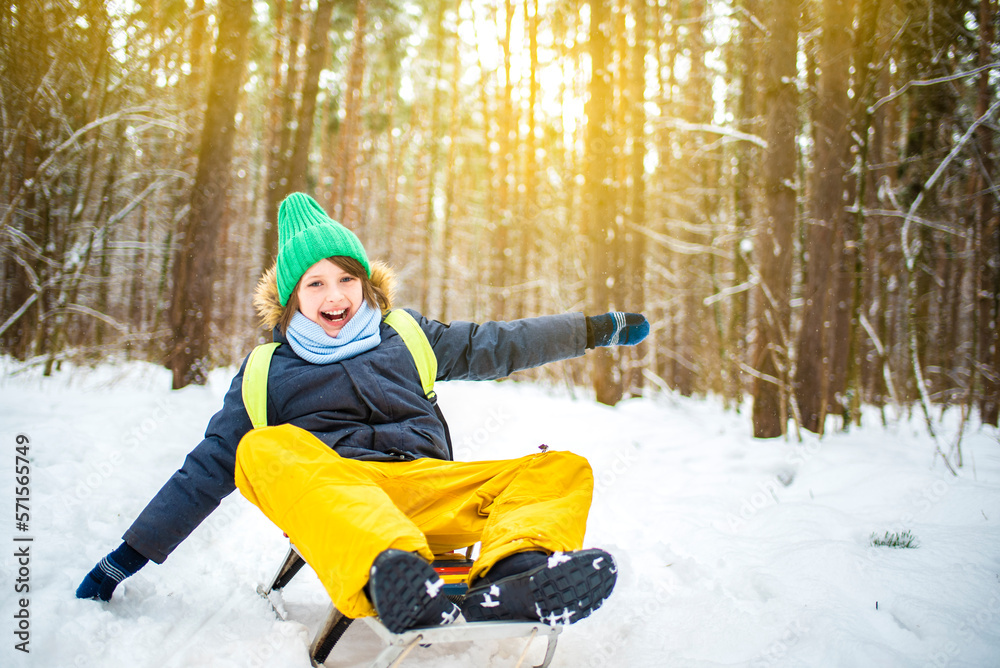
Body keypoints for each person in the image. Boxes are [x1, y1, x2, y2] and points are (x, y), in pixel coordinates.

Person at [77, 192, 649, 633]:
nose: (336, 296)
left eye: (347, 278)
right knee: (260, 448)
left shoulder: (407, 334)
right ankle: (396, 576)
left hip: (430, 485)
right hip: (342, 498)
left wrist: (593, 329)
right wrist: (126, 558)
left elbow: (498, 343)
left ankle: (514, 576)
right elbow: (205, 471)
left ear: (365, 282)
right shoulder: (266, 372)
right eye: (316, 283)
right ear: (290, 298)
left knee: (559, 469)